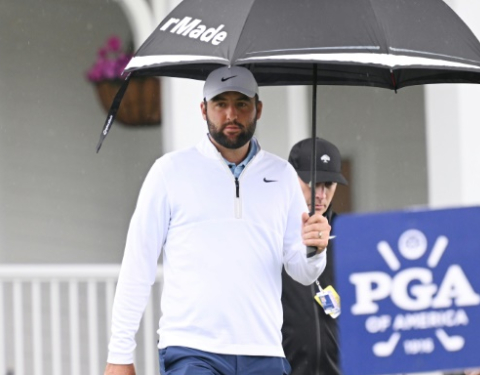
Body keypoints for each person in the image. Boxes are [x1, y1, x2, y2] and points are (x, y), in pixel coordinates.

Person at [104, 66, 332, 375]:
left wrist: (314, 250)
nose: (231, 114)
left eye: (241, 104)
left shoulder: (283, 176)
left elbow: (301, 271)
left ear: (258, 109)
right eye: (220, 103)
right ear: (203, 109)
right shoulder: (169, 172)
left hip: (264, 350)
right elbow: (138, 265)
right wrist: (119, 353)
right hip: (191, 349)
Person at [281, 137, 348, 375]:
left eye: (328, 184)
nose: (320, 194)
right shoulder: (270, 237)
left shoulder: (349, 237)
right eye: (313, 182)